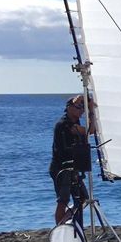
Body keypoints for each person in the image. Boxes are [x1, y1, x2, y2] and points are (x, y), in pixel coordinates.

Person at [50, 95, 94, 225]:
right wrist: (91, 110)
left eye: (83, 108)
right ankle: (60, 227)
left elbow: (89, 131)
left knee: (82, 199)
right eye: (78, 107)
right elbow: (90, 131)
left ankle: (65, 224)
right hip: (61, 168)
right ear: (69, 108)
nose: (81, 110)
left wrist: (88, 103)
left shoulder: (75, 123)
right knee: (63, 201)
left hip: (73, 167)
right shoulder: (64, 124)